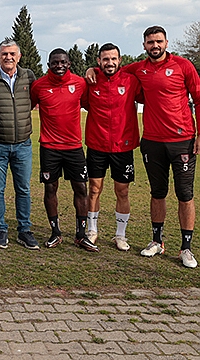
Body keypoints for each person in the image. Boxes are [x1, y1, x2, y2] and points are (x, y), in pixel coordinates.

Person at [87, 26, 200, 268]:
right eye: (150, 42)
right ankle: (157, 241)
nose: (154, 45)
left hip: (182, 140)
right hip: (152, 141)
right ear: (144, 45)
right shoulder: (139, 68)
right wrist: (92, 70)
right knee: (157, 193)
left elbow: (198, 98)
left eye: (158, 41)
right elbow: (112, 72)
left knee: (185, 194)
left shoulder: (183, 66)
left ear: (166, 42)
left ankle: (186, 248)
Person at [30, 49, 97, 252]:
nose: (59, 65)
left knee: (81, 189)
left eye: (63, 62)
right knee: (50, 188)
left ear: (69, 63)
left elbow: (89, 105)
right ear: (48, 63)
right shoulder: (39, 85)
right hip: (49, 147)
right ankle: (55, 232)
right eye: (55, 62)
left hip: (74, 147)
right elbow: (27, 106)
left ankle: (81, 234)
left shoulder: (79, 83)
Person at [0, 39, 38, 250]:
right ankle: (1, 229)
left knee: (23, 189)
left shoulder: (28, 76)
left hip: (23, 144)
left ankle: (24, 230)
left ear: (19, 56)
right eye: (4, 54)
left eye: (12, 54)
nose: (8, 57)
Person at [81, 43, 140, 251]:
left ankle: (120, 235)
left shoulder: (131, 81)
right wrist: (89, 72)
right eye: (105, 59)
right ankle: (92, 230)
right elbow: (82, 103)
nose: (110, 63)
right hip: (97, 144)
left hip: (123, 146)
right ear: (99, 61)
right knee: (94, 189)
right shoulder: (91, 81)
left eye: (113, 59)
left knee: (122, 191)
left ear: (120, 60)